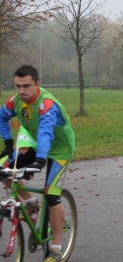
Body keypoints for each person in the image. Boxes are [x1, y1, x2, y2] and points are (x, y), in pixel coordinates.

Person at [0, 65, 75, 262]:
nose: (21, 91)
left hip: (59, 149)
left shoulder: (47, 103)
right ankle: (30, 202)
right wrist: (8, 144)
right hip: (33, 142)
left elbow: (45, 131)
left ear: (37, 84)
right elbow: (2, 117)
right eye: (17, 86)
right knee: (3, 170)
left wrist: (41, 160)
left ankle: (57, 248)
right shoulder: (15, 101)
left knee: (52, 194)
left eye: (27, 86)